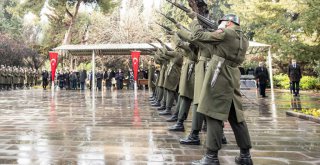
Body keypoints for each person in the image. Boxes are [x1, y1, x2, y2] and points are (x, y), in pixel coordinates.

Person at [189, 13, 253, 165]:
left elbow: (197, 36)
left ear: (229, 23)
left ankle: (211, 157)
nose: (220, 25)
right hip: (232, 76)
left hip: (218, 76)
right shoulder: (243, 38)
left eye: (222, 23)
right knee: (236, 117)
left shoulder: (225, 33)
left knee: (212, 114)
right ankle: (245, 156)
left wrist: (194, 20)